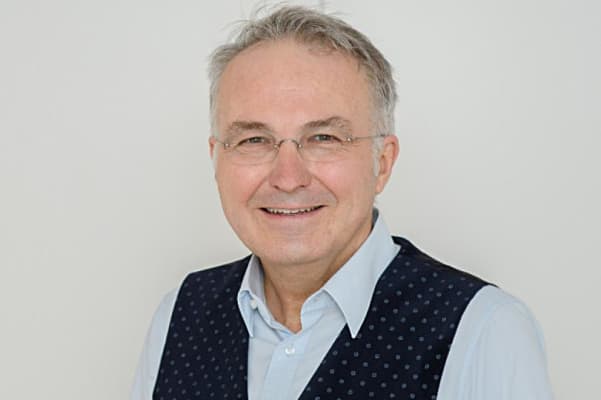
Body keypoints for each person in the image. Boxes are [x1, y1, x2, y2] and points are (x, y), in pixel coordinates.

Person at [132, 6, 553, 400]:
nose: (288, 178)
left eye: (324, 138)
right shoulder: (179, 317)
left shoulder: (483, 332)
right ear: (216, 159)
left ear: (382, 163)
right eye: (254, 139)